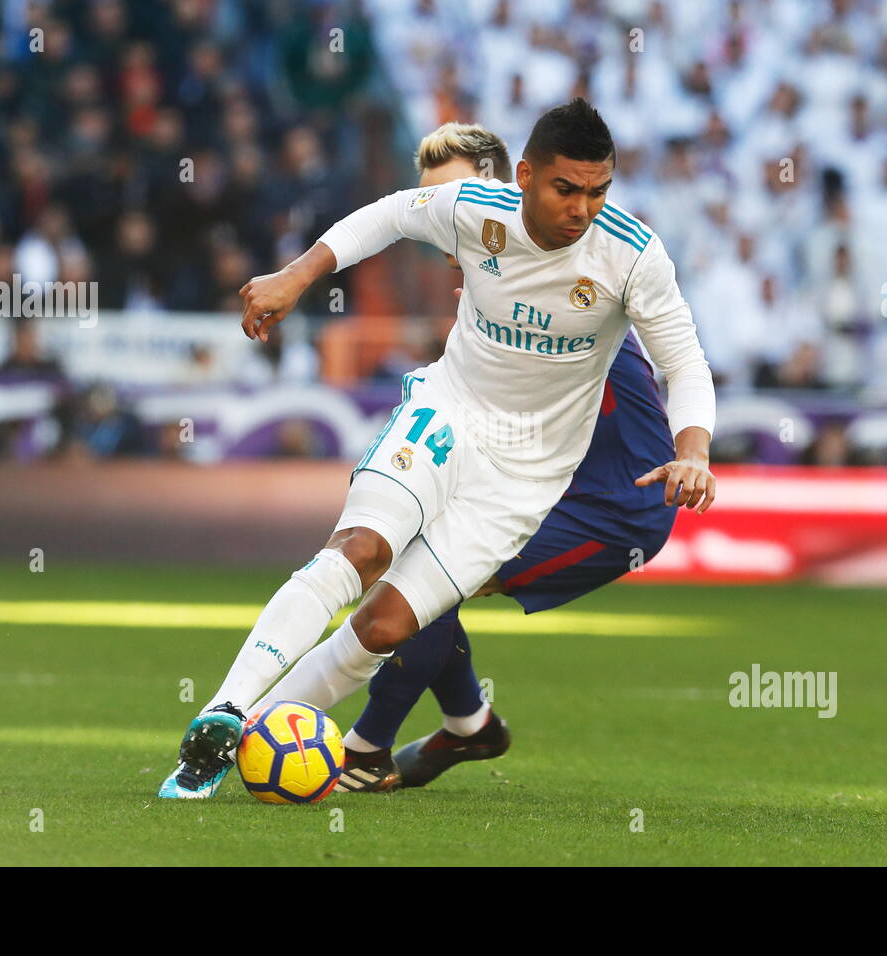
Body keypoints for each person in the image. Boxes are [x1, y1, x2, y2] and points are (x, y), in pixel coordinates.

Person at [159, 98, 716, 800]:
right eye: (565, 189)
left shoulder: (632, 256)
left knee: (388, 621)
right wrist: (297, 276)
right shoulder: (477, 210)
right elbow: (388, 215)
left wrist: (693, 450)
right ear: (525, 176)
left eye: (598, 191)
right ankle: (225, 714)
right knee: (360, 548)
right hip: (447, 417)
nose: (582, 209)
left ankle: (261, 732)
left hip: (525, 480)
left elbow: (687, 364)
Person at [331, 122, 681, 792]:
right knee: (427, 576)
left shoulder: (572, 285)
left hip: (615, 507)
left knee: (426, 586)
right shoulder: (500, 283)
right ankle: (468, 724)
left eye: (455, 197)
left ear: (506, 191)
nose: (443, 220)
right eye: (429, 201)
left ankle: (367, 751)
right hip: (547, 485)